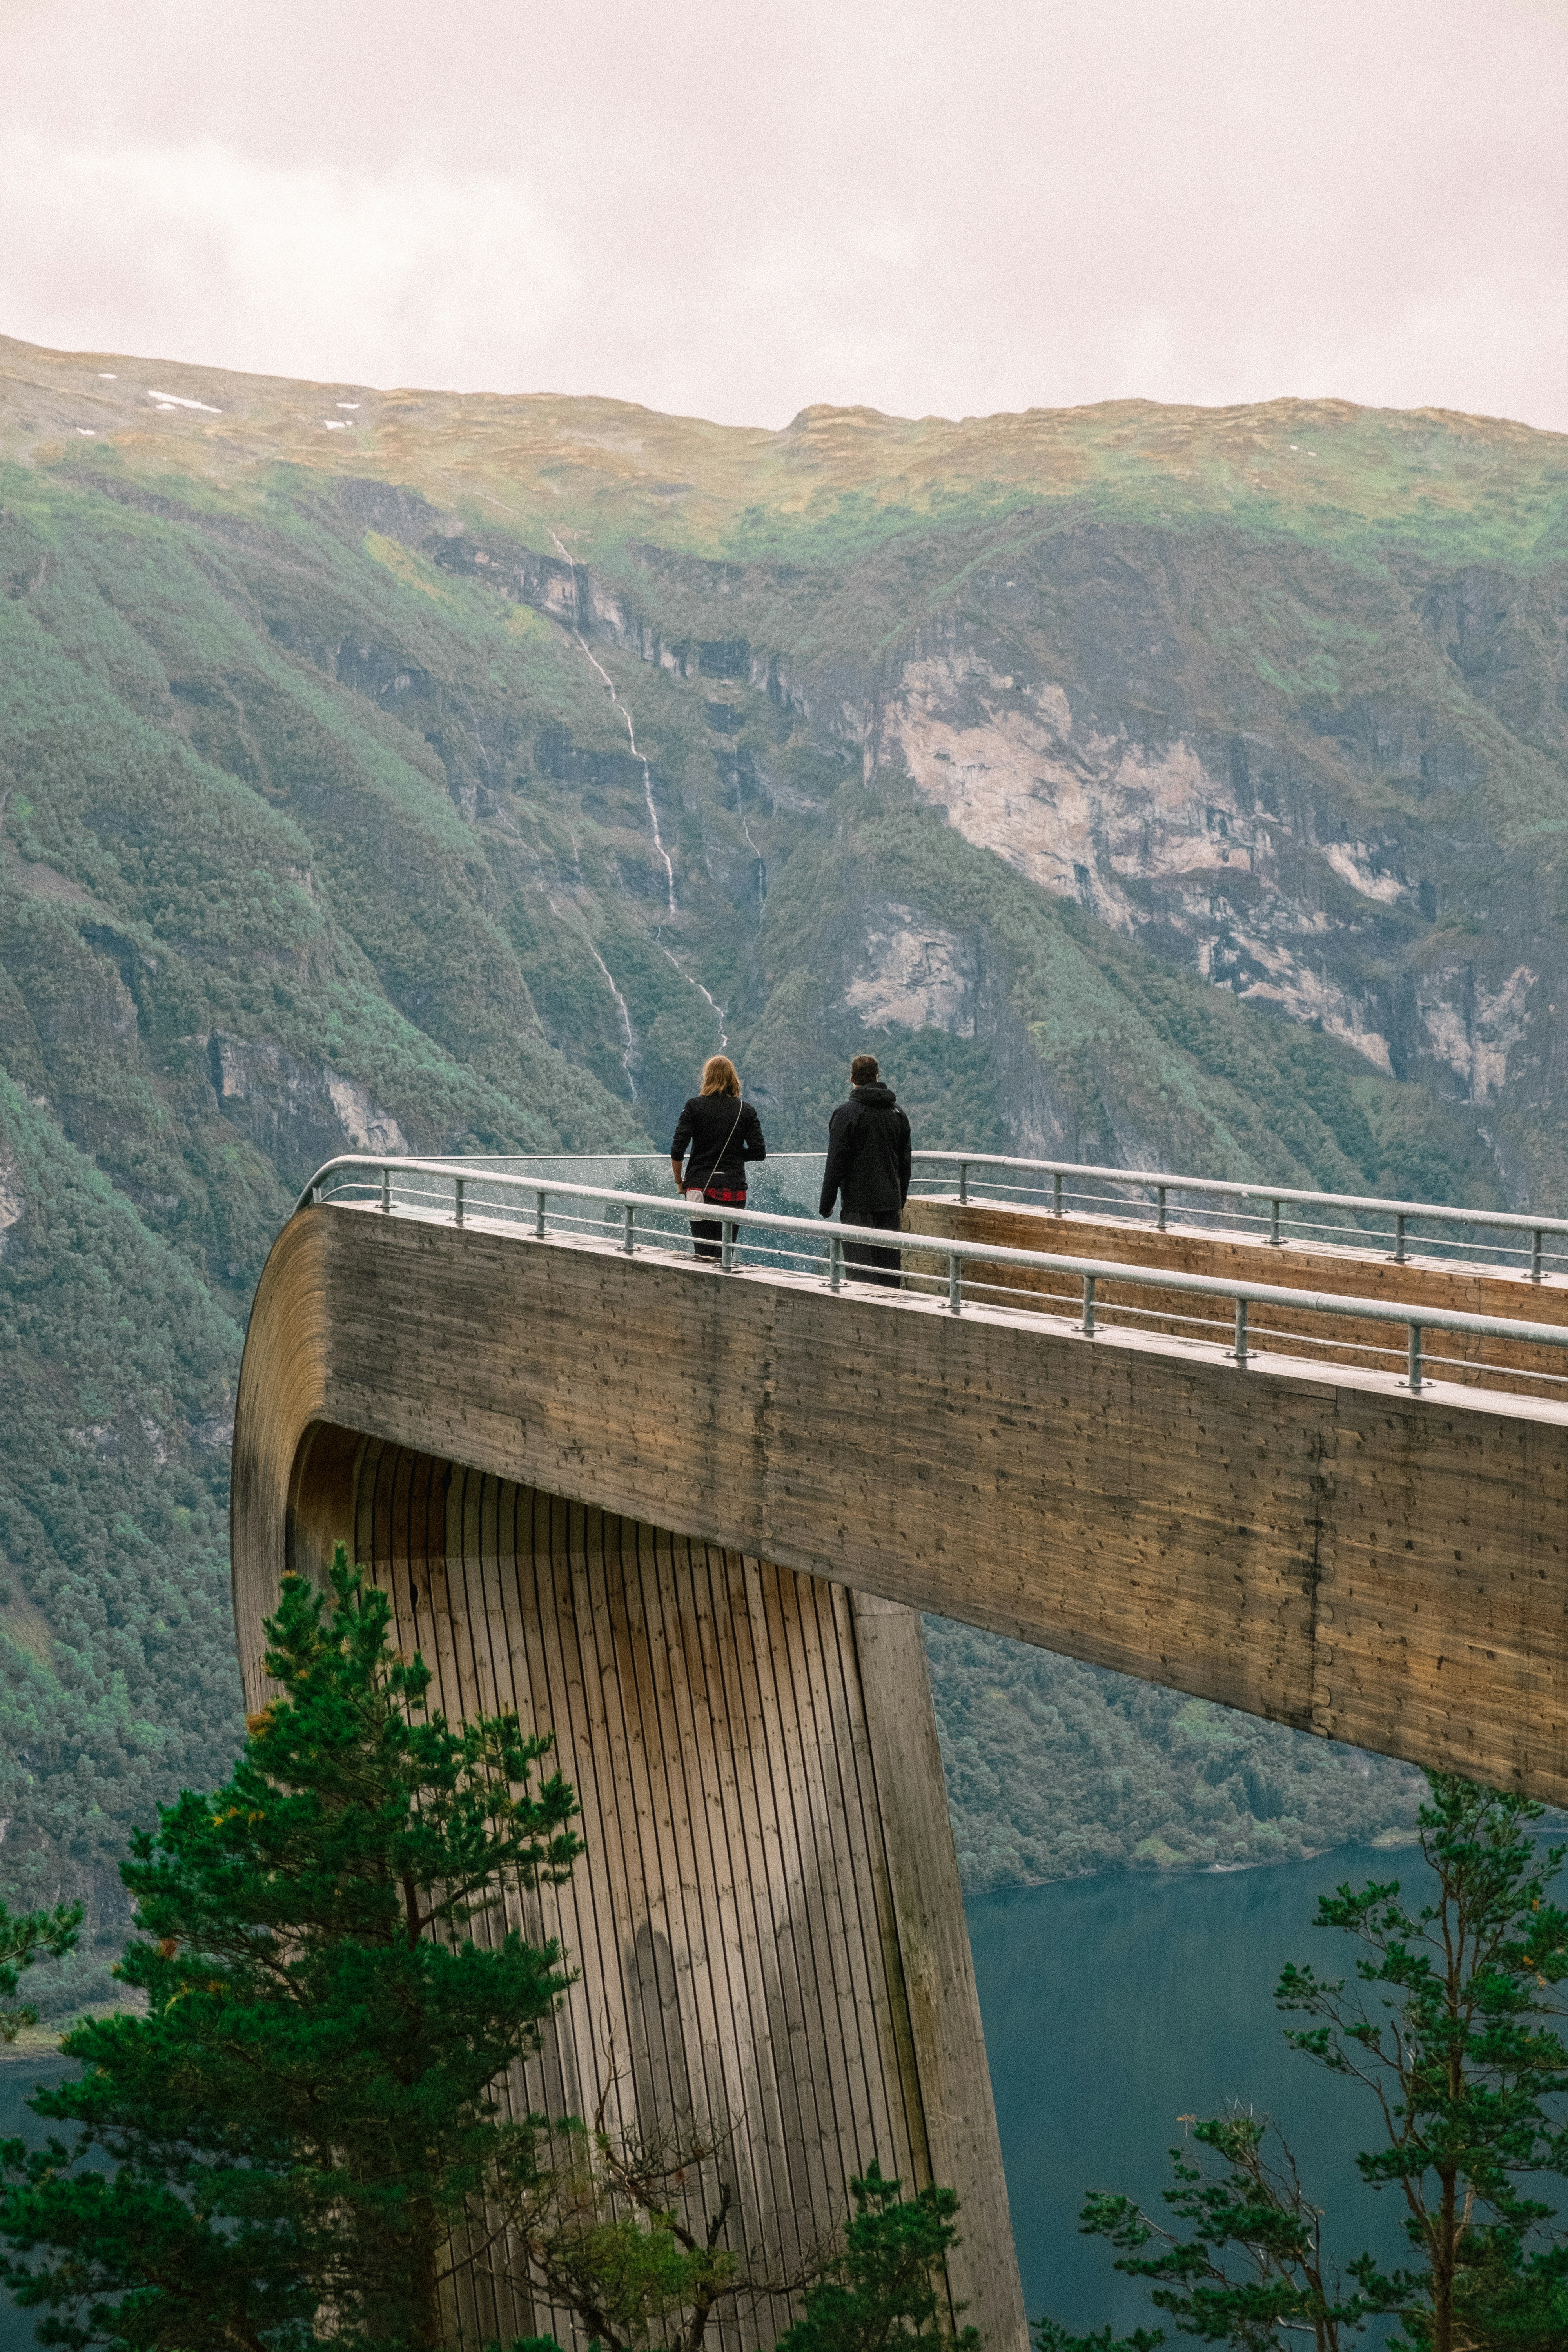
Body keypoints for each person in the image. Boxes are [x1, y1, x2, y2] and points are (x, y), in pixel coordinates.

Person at [818, 1053, 911, 1287]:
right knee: (890, 1274)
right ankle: (892, 1318)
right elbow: (905, 1164)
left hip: (858, 1206)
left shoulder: (846, 1115)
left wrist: (827, 1204)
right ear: (878, 1077)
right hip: (889, 1205)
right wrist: (900, 1200)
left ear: (852, 1078)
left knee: (861, 1276)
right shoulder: (898, 1114)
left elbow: (835, 1163)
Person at [670, 1054, 766, 1264]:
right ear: (733, 1079)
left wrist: (679, 1181)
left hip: (699, 1188)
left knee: (703, 1253)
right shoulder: (745, 1110)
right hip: (734, 1190)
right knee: (725, 1253)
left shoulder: (694, 1107)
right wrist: (735, 1155)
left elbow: (678, 1150)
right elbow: (759, 1152)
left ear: (707, 1078)